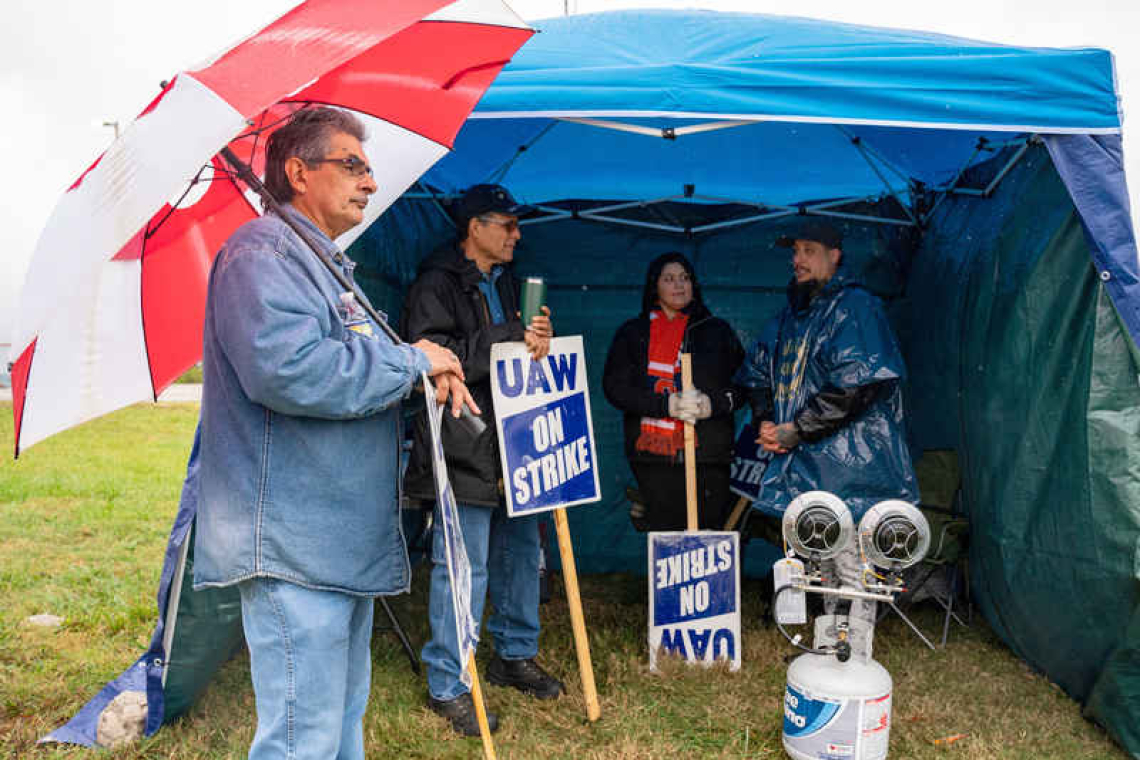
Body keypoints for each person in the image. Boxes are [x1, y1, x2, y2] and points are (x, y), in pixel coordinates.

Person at [193, 107, 473, 760]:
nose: (371, 183)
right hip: (297, 543)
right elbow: (290, 372)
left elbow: (356, 364)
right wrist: (411, 361)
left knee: (340, 727)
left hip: (337, 541)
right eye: (353, 165)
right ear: (298, 172)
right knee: (302, 739)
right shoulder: (261, 254)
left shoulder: (323, 266)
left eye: (370, 169)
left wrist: (418, 375)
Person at [401, 183, 562, 736]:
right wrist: (509, 334)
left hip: (518, 440)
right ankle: (449, 683)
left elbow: (508, 351)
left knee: (521, 554)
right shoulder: (434, 283)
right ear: (475, 227)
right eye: (508, 224)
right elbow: (432, 364)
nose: (518, 234)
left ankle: (513, 655)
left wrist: (536, 338)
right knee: (461, 567)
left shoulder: (511, 282)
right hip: (462, 443)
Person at [735, 219, 918, 623]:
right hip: (806, 466)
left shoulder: (857, 307)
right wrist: (767, 422)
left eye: (809, 251)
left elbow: (858, 385)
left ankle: (853, 651)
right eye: (795, 251)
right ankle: (830, 646)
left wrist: (796, 429)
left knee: (851, 565)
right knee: (820, 562)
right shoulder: (790, 316)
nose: (797, 260)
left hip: (853, 467)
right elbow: (759, 373)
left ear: (835, 256)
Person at [602, 252, 746, 531]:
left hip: (709, 455)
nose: (679, 285)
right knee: (667, 534)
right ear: (655, 286)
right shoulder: (633, 332)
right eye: (669, 279)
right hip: (652, 457)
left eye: (685, 278)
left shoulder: (717, 330)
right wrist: (664, 405)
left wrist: (711, 404)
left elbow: (743, 385)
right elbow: (615, 388)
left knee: (709, 533)